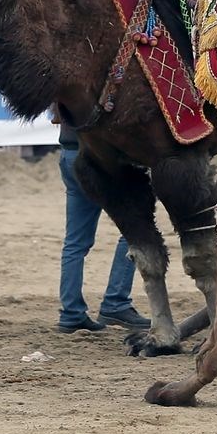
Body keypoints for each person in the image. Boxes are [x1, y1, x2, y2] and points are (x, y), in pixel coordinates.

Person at [54, 121, 149, 333]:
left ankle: (71, 313)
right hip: (97, 156)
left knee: (75, 243)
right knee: (135, 231)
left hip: (69, 153)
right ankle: (116, 302)